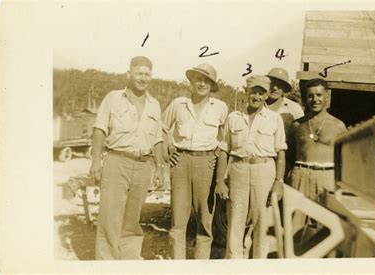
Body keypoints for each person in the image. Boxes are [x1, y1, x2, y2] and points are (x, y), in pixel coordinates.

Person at [89, 56, 164, 260]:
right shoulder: (113, 98)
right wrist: (96, 161)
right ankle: (107, 263)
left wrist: (159, 168)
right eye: (139, 73)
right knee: (110, 217)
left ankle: (129, 262)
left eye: (147, 74)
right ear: (128, 74)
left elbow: (157, 139)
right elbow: (100, 130)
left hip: (143, 165)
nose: (143, 78)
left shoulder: (154, 105)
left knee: (132, 219)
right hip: (117, 161)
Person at [215, 75, 286, 259]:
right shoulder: (234, 117)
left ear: (267, 94)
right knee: (235, 223)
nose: (257, 97)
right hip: (238, 170)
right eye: (253, 92)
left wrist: (278, 181)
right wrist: (220, 181)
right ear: (246, 92)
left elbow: (280, 152)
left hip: (264, 170)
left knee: (262, 224)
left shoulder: (274, 118)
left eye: (261, 93)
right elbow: (224, 150)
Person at [162, 63, 228, 259]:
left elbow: (226, 139)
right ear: (191, 81)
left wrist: (217, 158)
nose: (202, 84)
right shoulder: (178, 104)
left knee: (205, 222)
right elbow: (162, 127)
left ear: (212, 85)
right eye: (198, 79)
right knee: (178, 222)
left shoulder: (220, 108)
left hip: (207, 164)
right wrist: (168, 150)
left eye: (207, 81)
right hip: (180, 163)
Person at [285, 78, 347, 232]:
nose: (315, 100)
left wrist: (338, 186)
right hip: (300, 175)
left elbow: (343, 160)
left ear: (327, 96)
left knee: (326, 227)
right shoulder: (297, 125)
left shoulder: (338, 125)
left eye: (319, 95)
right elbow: (289, 156)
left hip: (326, 177)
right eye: (310, 96)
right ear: (305, 98)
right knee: (295, 227)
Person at [265, 67, 304, 177]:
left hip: (287, 159)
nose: (275, 88)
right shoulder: (260, 106)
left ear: (285, 88)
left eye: (280, 84)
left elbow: (301, 137)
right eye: (272, 83)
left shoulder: (294, 108)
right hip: (263, 159)